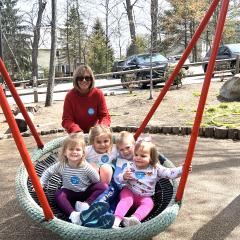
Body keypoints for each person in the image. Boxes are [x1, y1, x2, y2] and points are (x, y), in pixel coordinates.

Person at [112, 139, 191, 228]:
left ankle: (134, 219)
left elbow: (169, 173)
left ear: (151, 158)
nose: (138, 158)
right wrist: (124, 176)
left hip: (145, 196)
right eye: (136, 155)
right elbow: (119, 179)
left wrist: (182, 169)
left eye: (143, 156)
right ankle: (116, 220)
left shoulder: (155, 169)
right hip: (129, 191)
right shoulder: (130, 166)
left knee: (149, 203)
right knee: (127, 200)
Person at [39, 133, 110, 226]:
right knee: (59, 194)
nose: (74, 152)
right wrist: (41, 183)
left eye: (78, 149)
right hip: (70, 192)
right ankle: (73, 215)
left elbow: (96, 179)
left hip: (85, 192)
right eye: (71, 149)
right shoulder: (62, 165)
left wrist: (91, 182)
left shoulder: (86, 167)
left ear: (83, 153)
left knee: (103, 186)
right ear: (65, 152)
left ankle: (85, 205)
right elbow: (48, 171)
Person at [75, 131, 136, 228]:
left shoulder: (138, 158)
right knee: (108, 195)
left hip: (127, 189)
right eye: (121, 150)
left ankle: (102, 220)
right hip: (116, 184)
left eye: (128, 148)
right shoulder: (119, 155)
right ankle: (91, 211)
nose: (125, 151)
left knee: (115, 203)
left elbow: (148, 154)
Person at [62, 65, 111, 134]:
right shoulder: (70, 96)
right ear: (76, 80)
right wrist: (75, 130)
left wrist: (101, 128)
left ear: (91, 79)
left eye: (87, 78)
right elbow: (66, 119)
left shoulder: (98, 94)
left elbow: (104, 116)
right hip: (76, 134)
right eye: (80, 78)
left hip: (95, 133)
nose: (84, 81)